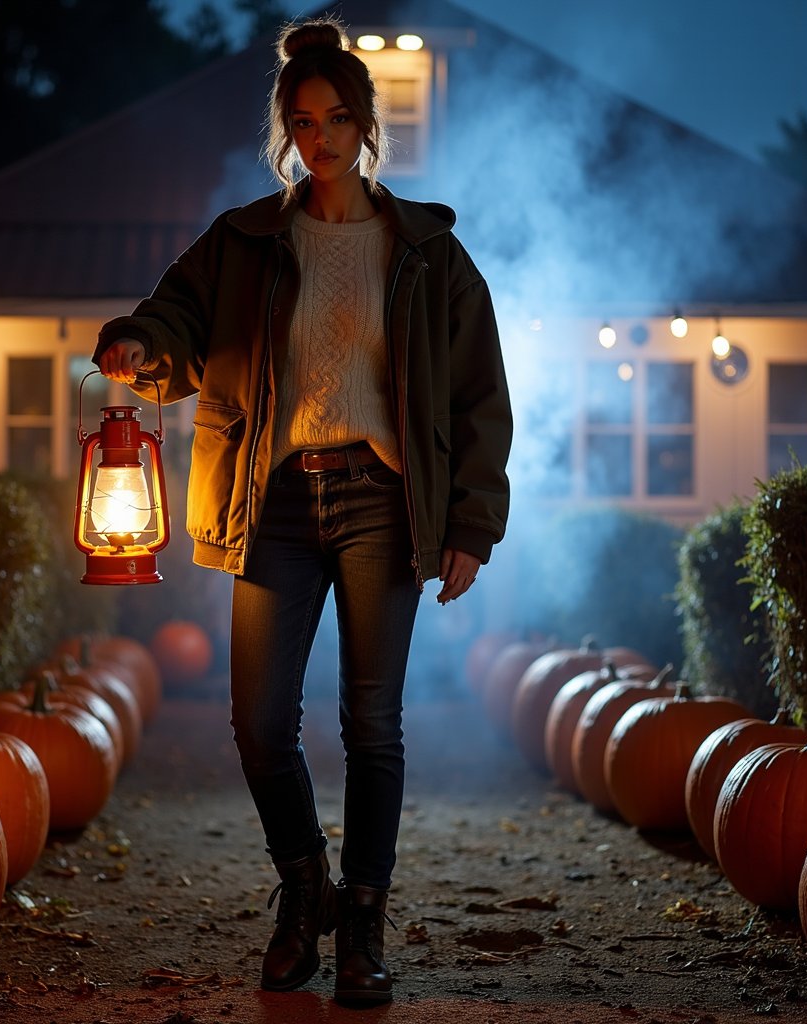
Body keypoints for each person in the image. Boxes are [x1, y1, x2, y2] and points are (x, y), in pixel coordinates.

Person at [95, 16, 512, 1006]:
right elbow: (175, 317)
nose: (319, 139)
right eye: (303, 122)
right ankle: (304, 891)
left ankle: (361, 923)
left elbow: (478, 395)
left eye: (336, 120)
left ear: (366, 126)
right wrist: (141, 345)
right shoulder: (244, 241)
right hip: (271, 500)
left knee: (372, 725)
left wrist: (471, 523)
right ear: (287, 131)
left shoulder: (427, 253)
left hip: (380, 502)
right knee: (258, 725)